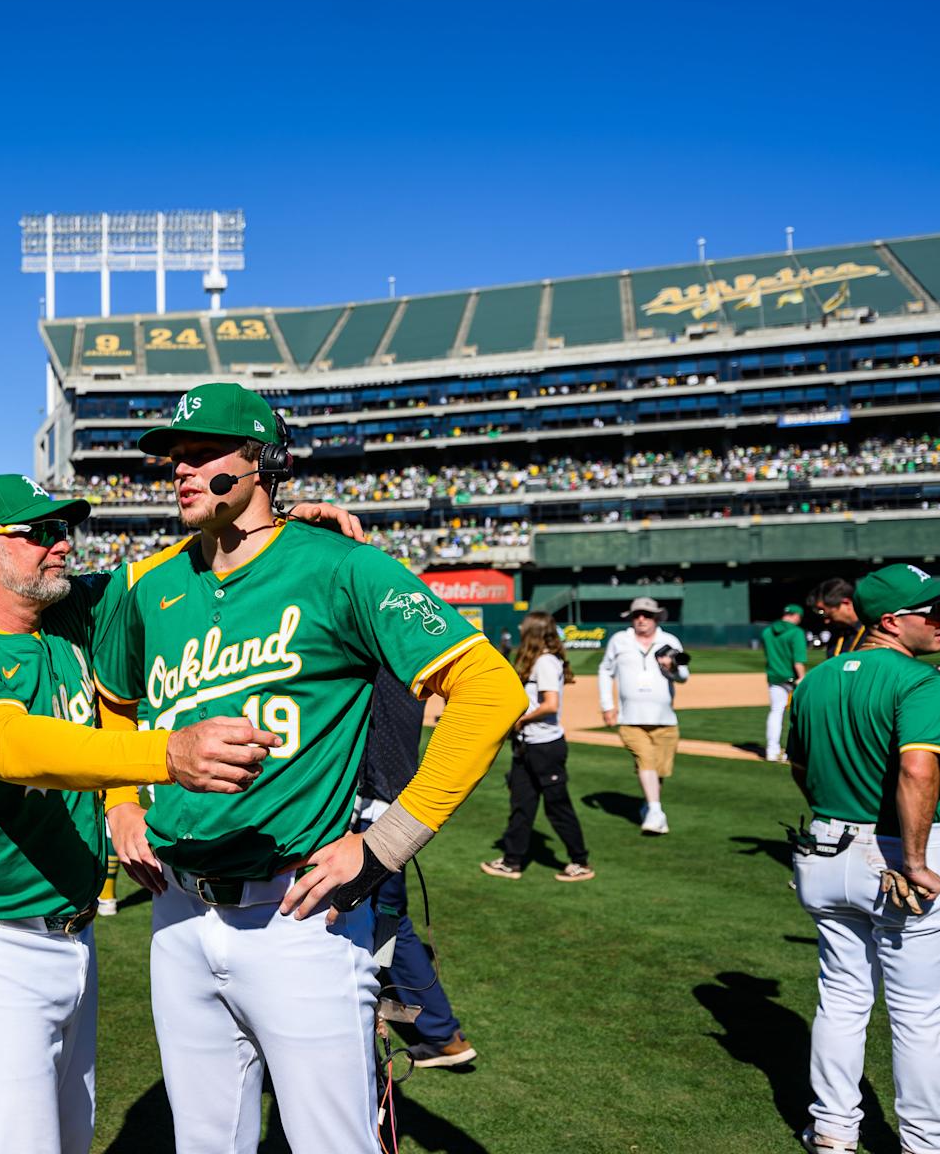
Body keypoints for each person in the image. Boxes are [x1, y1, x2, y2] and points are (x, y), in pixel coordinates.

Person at [94, 383, 525, 1154]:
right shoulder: (145, 583)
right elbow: (115, 703)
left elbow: (492, 690)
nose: (181, 472)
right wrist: (122, 802)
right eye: (174, 459)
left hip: (299, 915)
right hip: (178, 913)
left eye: (202, 455)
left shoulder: (343, 569)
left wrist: (388, 840)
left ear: (261, 464)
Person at [0, 473, 282, 1154]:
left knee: (71, 1143)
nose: (61, 545)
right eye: (39, 533)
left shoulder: (69, 611)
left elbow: (165, 569)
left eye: (62, 531)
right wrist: (162, 757)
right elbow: (11, 746)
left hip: (72, 935)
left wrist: (263, 521)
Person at [786, 563, 940, 1154]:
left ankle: (834, 1129)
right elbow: (918, 770)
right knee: (919, 1018)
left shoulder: (814, 681)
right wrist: (914, 861)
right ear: (892, 621)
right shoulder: (920, 681)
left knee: (840, 999)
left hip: (825, 848)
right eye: (931, 611)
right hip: (897, 852)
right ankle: (926, 1146)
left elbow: (799, 767)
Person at [359, 666, 479, 1068]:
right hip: (399, 807)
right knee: (388, 919)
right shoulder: (408, 663)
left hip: (372, 812)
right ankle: (420, 1020)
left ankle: (441, 1032)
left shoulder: (375, 663)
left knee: (385, 920)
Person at [481, 611, 593, 883]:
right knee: (522, 803)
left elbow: (550, 705)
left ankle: (580, 861)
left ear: (534, 631)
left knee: (557, 806)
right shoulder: (538, 660)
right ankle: (512, 861)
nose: (520, 628)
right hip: (527, 746)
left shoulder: (545, 662)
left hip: (545, 747)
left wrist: (521, 719)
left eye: (525, 626)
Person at [597, 596, 688, 835]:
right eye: (637, 615)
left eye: (646, 615)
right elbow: (605, 671)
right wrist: (608, 705)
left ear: (656, 618)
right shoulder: (620, 640)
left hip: (665, 718)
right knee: (645, 760)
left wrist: (672, 667)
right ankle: (656, 811)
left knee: (658, 770)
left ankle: (649, 806)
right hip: (630, 718)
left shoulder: (669, 641)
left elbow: (684, 676)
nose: (641, 619)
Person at [761, 604, 810, 762]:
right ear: (796, 616)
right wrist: (802, 677)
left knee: (776, 711)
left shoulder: (767, 632)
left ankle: (771, 751)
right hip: (793, 678)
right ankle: (798, 750)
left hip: (775, 676)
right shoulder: (796, 632)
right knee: (800, 714)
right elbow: (798, 660)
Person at [809, 577, 863, 659]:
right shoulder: (837, 633)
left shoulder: (874, 631)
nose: (826, 621)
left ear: (846, 603)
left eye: (829, 615)